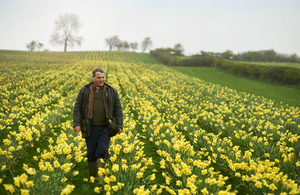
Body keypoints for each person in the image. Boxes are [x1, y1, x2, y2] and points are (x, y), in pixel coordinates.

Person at [73, 67, 123, 180]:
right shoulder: (85, 90)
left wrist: (119, 125)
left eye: (103, 77)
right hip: (89, 127)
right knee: (91, 153)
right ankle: (93, 176)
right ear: (93, 78)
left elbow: (118, 109)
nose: (101, 80)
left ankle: (100, 177)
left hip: (106, 127)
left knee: (102, 150)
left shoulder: (111, 90)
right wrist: (77, 123)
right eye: (99, 77)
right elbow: (77, 107)